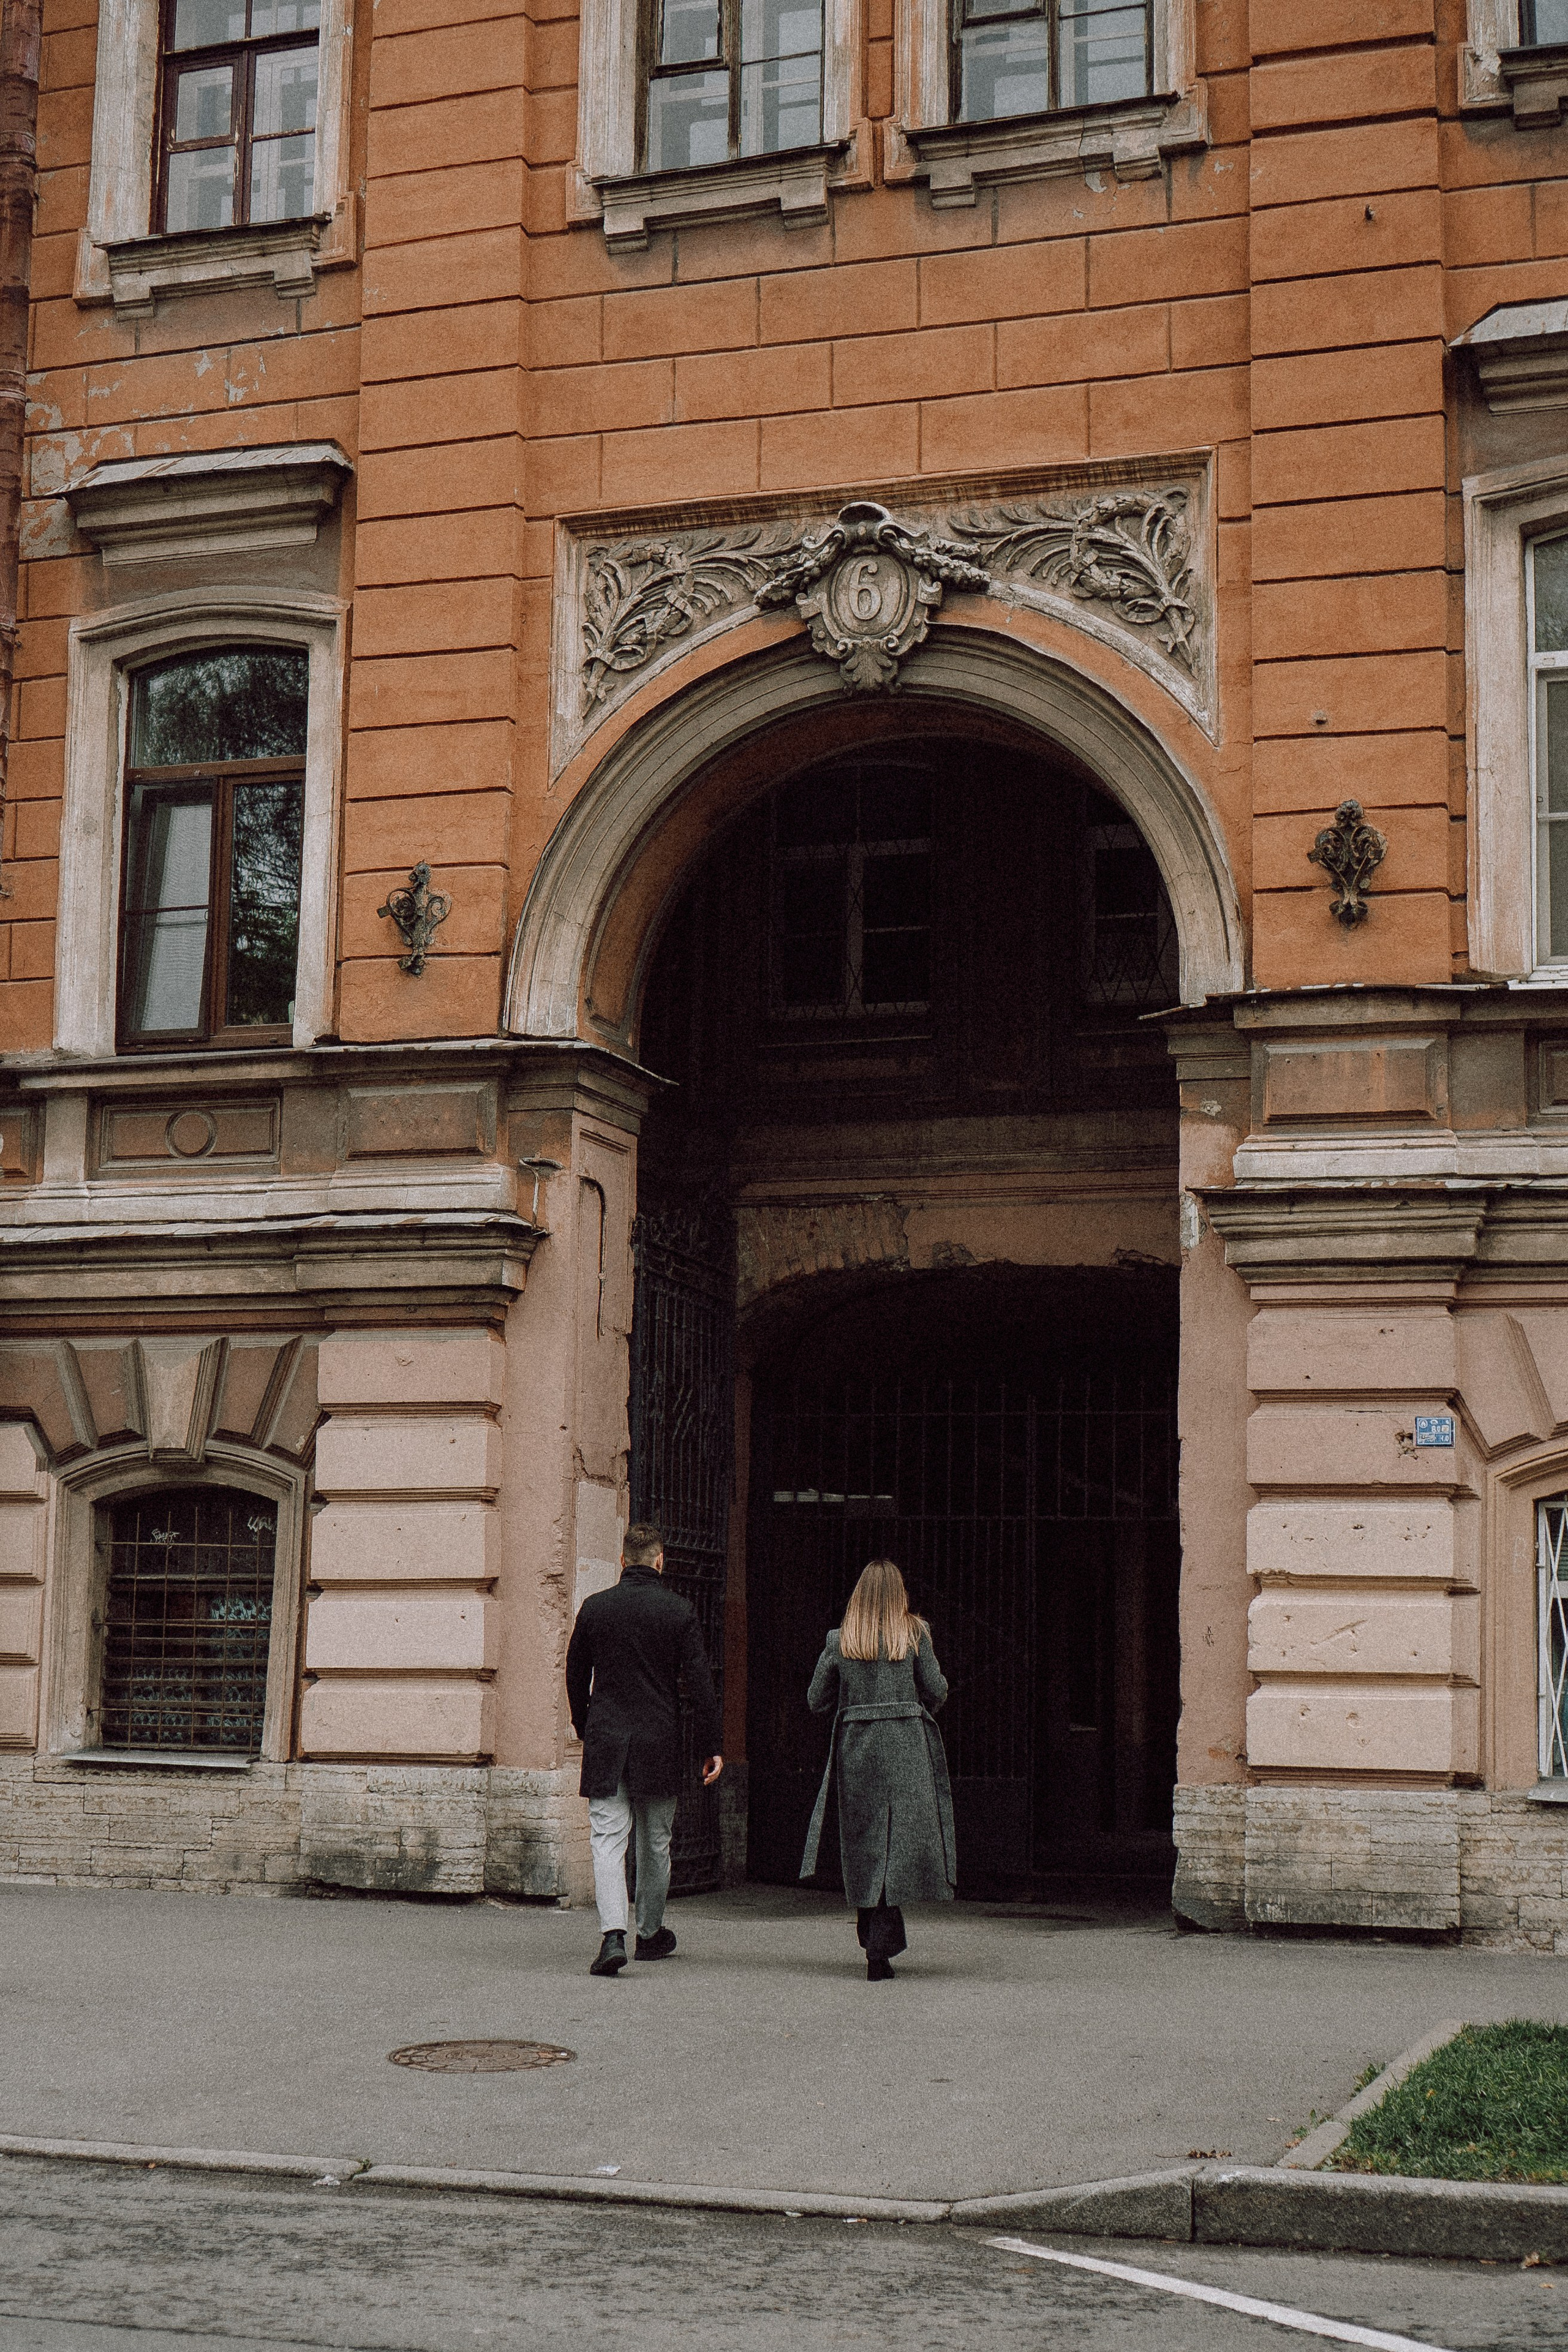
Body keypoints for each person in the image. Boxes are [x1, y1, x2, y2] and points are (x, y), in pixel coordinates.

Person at [565, 1521, 723, 1978]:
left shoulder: (595, 1609)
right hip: (659, 1740)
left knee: (608, 1840)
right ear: (660, 1561)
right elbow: (700, 1684)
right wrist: (712, 1745)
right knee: (656, 1843)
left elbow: (575, 1675)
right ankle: (650, 1933)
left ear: (622, 1561)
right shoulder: (679, 1611)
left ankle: (612, 1935)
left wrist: (585, 1723)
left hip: (608, 1738)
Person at [799, 1557, 956, 1980]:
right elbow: (937, 1688)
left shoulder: (840, 1639)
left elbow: (816, 1699)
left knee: (867, 1842)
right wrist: (915, 1707)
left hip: (859, 1749)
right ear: (899, 1594)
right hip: (907, 1747)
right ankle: (879, 1947)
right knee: (898, 1842)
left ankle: (875, 1938)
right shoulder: (915, 1634)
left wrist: (853, 1707)